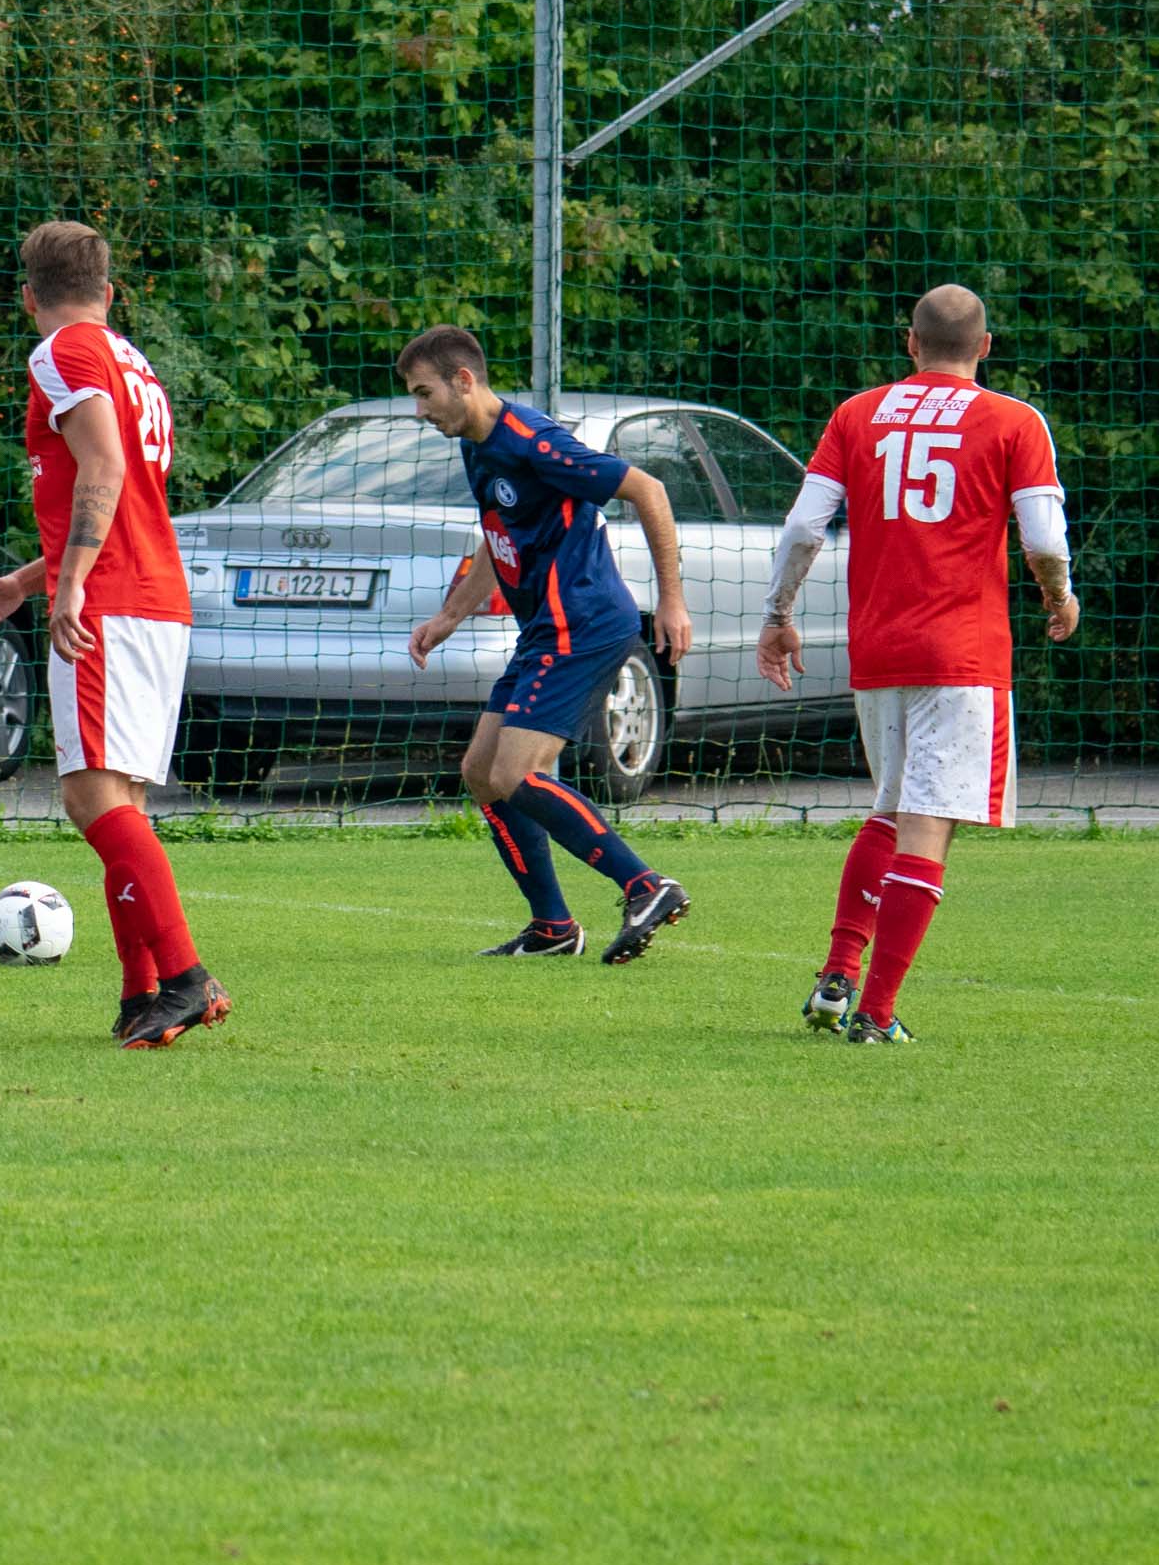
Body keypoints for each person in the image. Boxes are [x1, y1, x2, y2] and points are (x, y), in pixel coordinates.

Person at [756, 285, 1077, 1043]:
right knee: (928, 825)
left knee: (893, 807)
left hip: (878, 646)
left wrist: (777, 615)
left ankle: (836, 976)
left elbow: (802, 527)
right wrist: (1059, 594)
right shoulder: (1013, 420)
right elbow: (1042, 538)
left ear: (911, 342)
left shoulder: (857, 414)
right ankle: (875, 1013)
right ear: (985, 346)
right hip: (961, 653)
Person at [0, 222, 230, 1047]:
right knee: (124, 804)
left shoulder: (60, 352)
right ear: (109, 292)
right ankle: (139, 995)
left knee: (88, 798)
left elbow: (104, 470)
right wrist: (24, 582)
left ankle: (185, 977)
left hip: (109, 601)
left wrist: (71, 583)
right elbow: (129, 494)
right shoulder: (134, 364)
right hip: (156, 597)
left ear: (28, 297)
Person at [400, 325, 696, 963]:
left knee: (516, 774)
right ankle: (553, 927)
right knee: (482, 773)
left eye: (424, 394)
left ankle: (646, 886)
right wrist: (450, 615)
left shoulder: (535, 442)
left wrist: (672, 599)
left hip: (583, 621)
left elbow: (648, 490)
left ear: (463, 381)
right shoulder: (476, 443)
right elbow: (498, 534)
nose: (420, 411)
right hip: (545, 628)